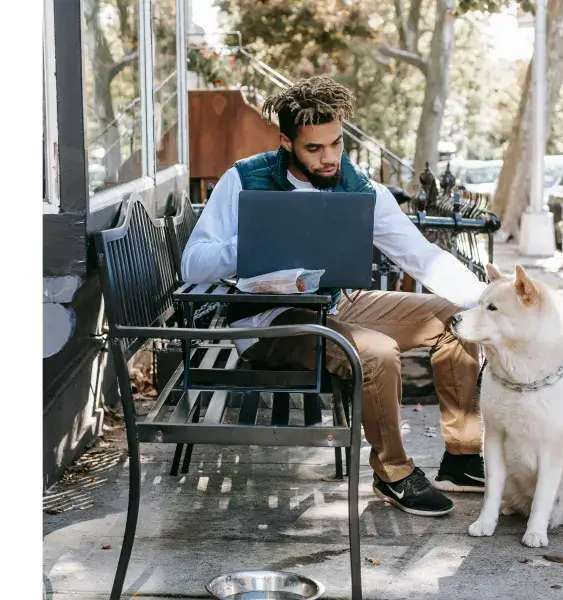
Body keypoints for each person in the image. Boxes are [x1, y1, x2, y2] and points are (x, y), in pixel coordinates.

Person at [182, 76, 486, 517]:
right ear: (287, 142)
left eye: (336, 144)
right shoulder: (244, 179)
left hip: (339, 303)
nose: (329, 158)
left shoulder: (357, 187)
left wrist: (489, 299)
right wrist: (256, 242)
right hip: (269, 320)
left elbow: (420, 255)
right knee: (375, 352)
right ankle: (394, 474)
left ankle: (461, 459)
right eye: (314, 149)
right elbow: (194, 263)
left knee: (459, 320)